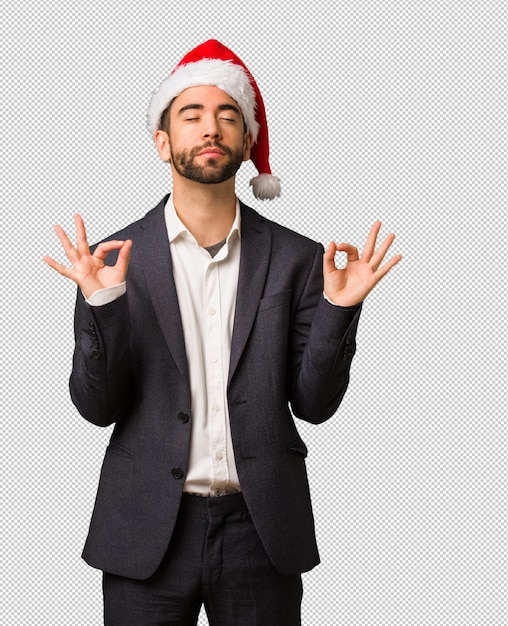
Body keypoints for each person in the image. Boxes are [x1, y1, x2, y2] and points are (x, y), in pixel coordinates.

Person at [44, 39, 401, 626]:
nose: (211, 128)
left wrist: (340, 308)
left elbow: (314, 405)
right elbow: (96, 407)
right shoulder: (109, 263)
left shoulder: (297, 259)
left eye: (227, 115)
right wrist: (103, 301)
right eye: (192, 115)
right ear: (162, 142)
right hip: (146, 531)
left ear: (245, 141)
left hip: (261, 530)